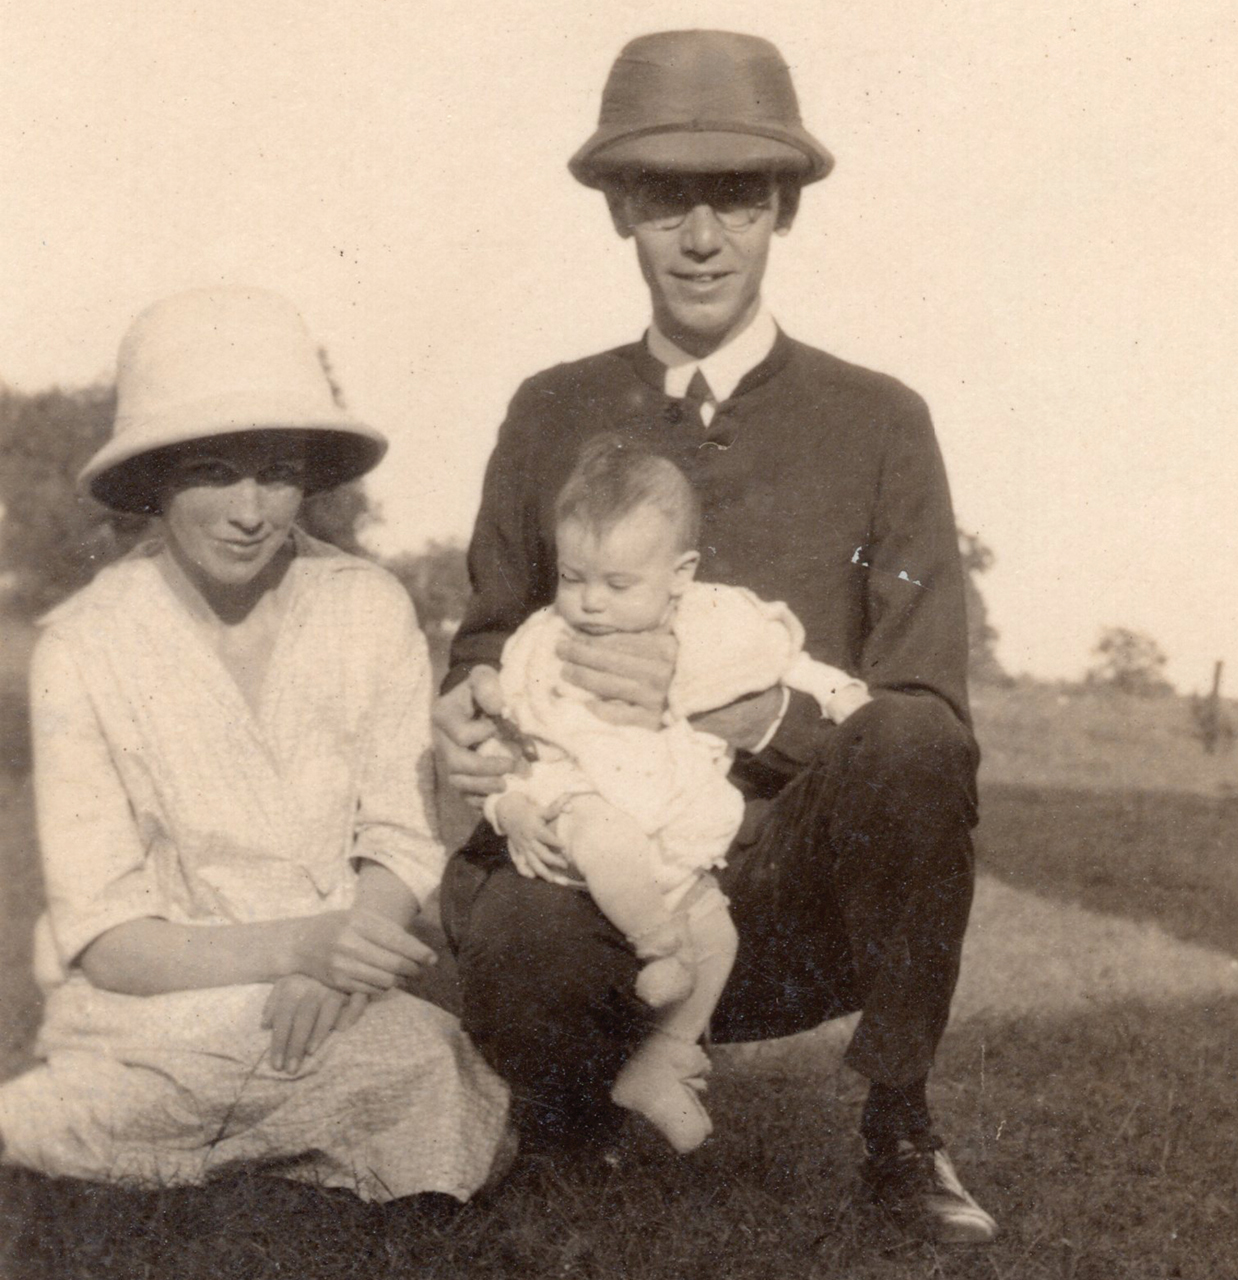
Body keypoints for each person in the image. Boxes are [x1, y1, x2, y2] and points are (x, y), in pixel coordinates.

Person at [434, 29, 997, 1243]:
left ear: (784, 206)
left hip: (793, 884)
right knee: (520, 919)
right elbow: (485, 637)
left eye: (736, 195)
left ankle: (899, 1121)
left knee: (910, 744)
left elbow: (924, 701)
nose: (701, 236)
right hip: (599, 856)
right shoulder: (550, 409)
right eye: (663, 197)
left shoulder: (880, 420)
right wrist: (472, 707)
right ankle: (566, 1112)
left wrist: (747, 714)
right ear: (616, 210)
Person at [0, 286, 512, 1200]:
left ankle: (200, 1147)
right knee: (147, 1083)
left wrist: (342, 955)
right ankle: (138, 1125)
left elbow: (399, 835)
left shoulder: (366, 607)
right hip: (160, 1003)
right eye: (212, 472)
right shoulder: (82, 647)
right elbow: (109, 940)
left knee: (423, 1058)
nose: (249, 510)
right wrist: (297, 949)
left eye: (276, 472)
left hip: (340, 990)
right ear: (154, 480)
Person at [486, 435, 869, 1153]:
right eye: (574, 578)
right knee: (605, 839)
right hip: (581, 802)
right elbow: (511, 743)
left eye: (616, 583)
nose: (590, 602)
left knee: (717, 936)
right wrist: (509, 807)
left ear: (679, 573)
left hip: (679, 836)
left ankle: (662, 1059)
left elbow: (786, 661)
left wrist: (839, 691)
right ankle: (653, 951)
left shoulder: (714, 625)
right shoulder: (544, 642)